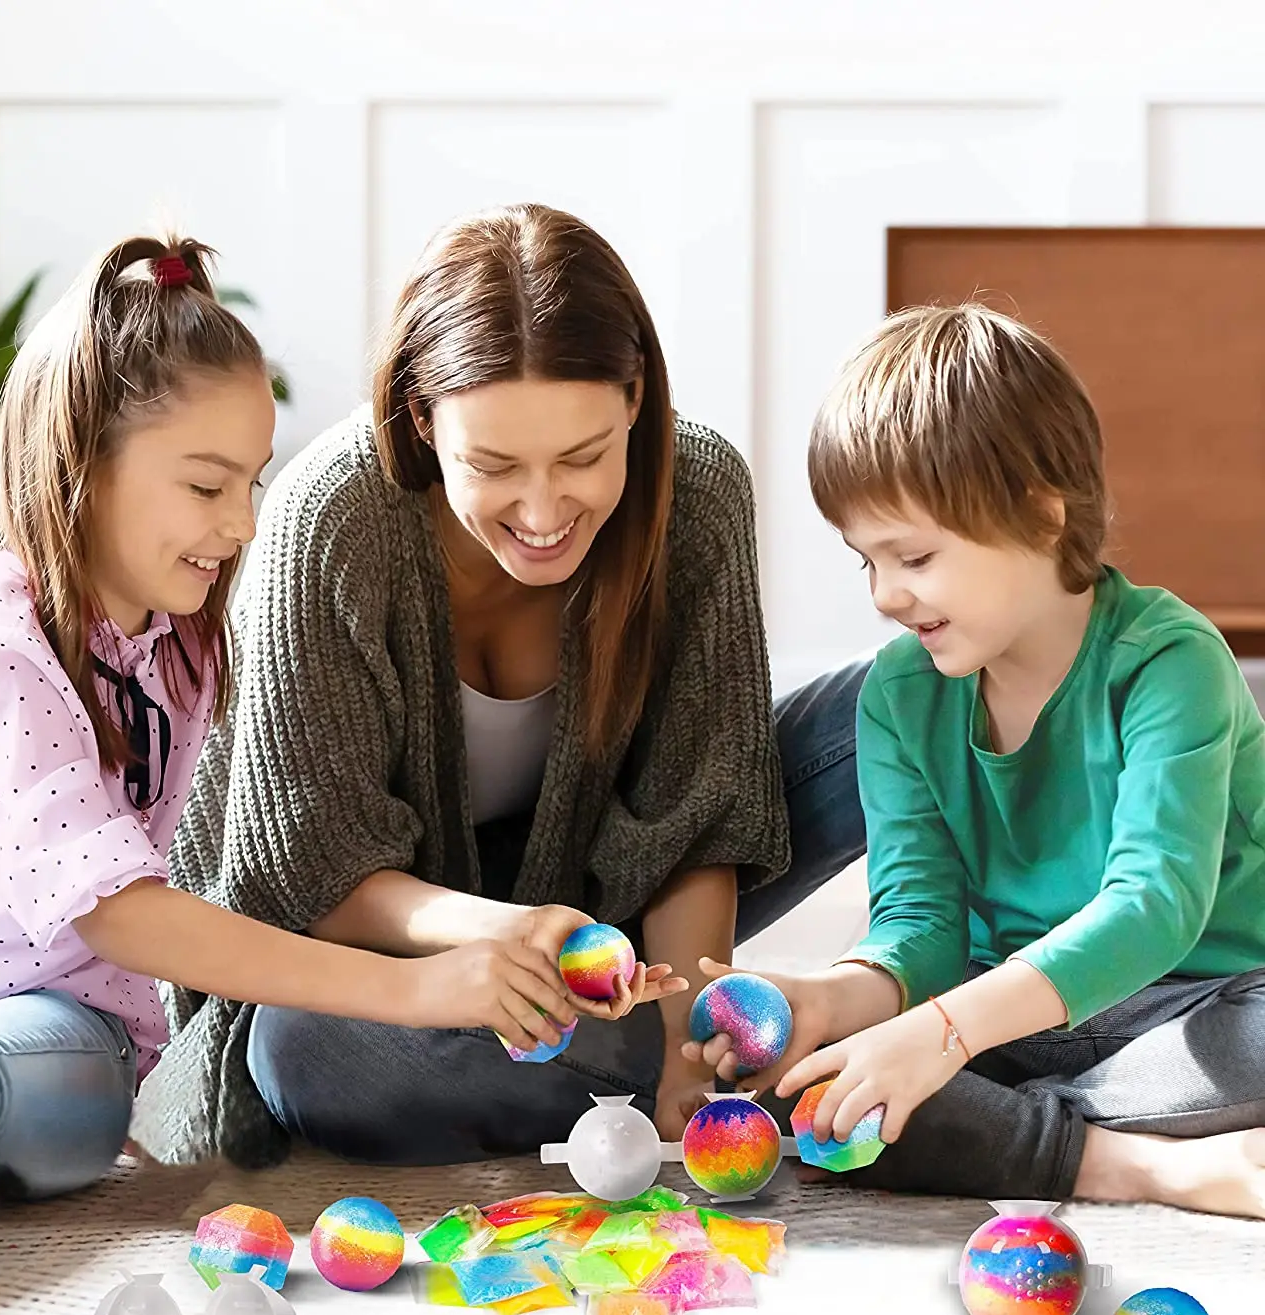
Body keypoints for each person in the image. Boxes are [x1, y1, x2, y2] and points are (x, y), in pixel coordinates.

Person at [0, 234, 654, 1315]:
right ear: (81, 463)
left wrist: (442, 970)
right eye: (205, 486)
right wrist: (420, 986)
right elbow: (127, 912)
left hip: (49, 1057)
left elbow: (146, 916)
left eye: (251, 483)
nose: (240, 524)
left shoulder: (177, 648)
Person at [137, 204, 869, 1170]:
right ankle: (803, 1041)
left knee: (887, 707)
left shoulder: (695, 491)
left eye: (583, 458)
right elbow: (314, 885)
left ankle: (860, 1016)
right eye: (492, 466)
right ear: (420, 419)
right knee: (310, 1052)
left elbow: (698, 817)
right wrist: (505, 936)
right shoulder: (333, 518)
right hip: (393, 948)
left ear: (636, 398)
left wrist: (691, 1040)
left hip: (615, 912)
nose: (542, 511)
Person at [688, 303, 1265, 1219]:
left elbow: (1153, 907)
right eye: (863, 562)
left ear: (1040, 514)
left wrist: (938, 1038)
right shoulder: (899, 694)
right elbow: (919, 923)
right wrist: (827, 1002)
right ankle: (1137, 1164)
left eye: (912, 555)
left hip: (1195, 1006)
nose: (884, 595)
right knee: (815, 1094)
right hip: (1005, 1024)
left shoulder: (1170, 662)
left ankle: (1018, 1139)